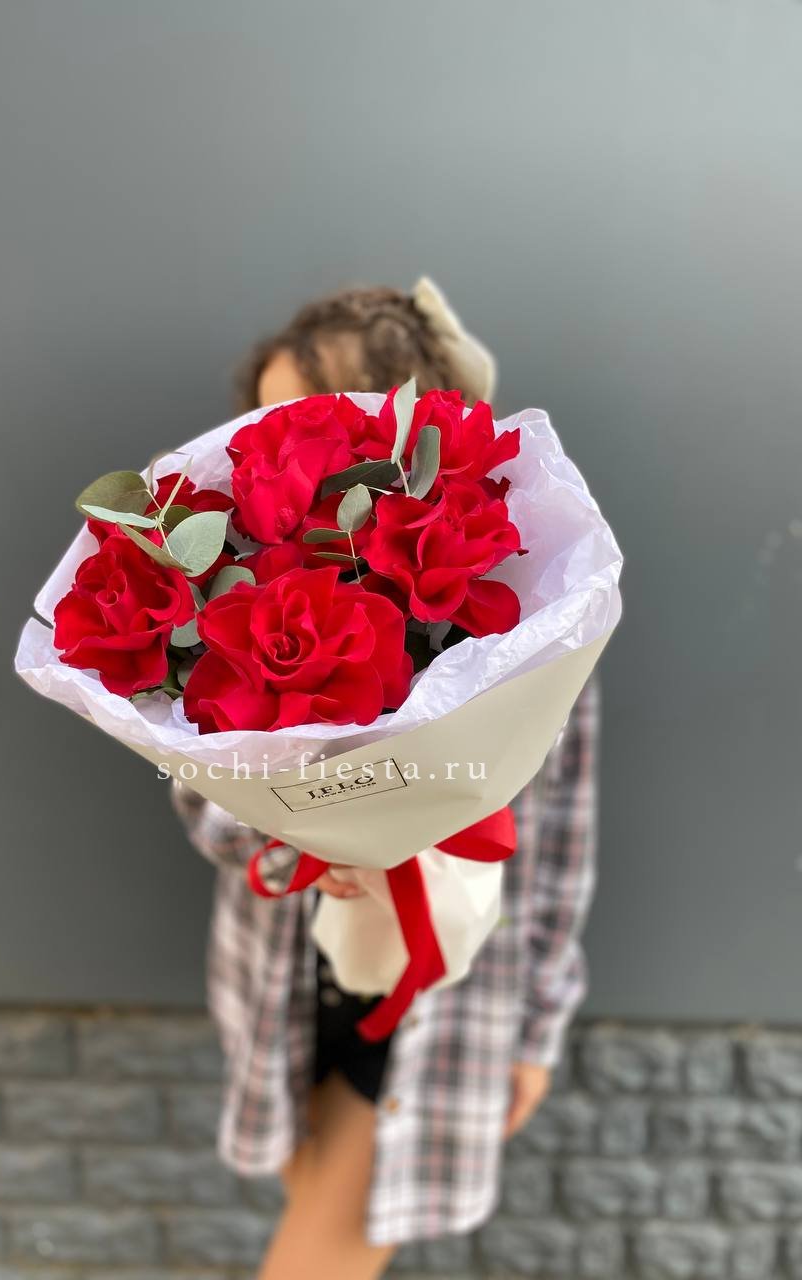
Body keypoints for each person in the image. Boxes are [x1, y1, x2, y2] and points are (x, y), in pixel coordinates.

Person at [171, 278, 600, 1280]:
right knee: (320, 1224)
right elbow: (201, 796)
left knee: (318, 1259)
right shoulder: (228, 593)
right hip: (284, 983)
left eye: (310, 423)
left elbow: (559, 838)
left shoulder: (537, 613)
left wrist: (539, 1027)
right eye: (262, 423)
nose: (272, 448)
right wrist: (299, 832)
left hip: (441, 993)